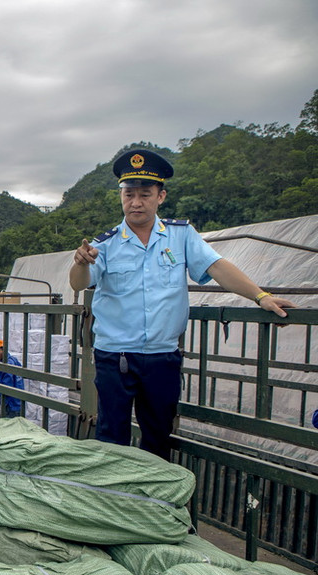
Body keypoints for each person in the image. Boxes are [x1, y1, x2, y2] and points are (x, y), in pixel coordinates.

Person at [69, 149, 295, 460]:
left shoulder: (181, 235)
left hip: (162, 356)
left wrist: (261, 296)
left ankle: (155, 503)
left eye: (144, 194)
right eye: (129, 194)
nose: (135, 202)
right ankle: (113, 501)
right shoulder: (104, 244)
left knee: (159, 434)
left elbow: (216, 266)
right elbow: (79, 282)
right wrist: (80, 262)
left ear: (160, 196)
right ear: (121, 196)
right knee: (111, 436)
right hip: (115, 356)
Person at [0, 338, 25, 417]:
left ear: (4, 350)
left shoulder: (6, 366)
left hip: (11, 404)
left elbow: (6, 387)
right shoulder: (13, 360)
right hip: (18, 402)